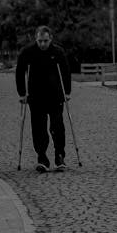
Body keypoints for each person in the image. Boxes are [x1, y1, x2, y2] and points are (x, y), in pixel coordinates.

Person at [15, 25, 71, 172]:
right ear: (36, 39)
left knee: (57, 126)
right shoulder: (27, 52)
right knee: (38, 128)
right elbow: (20, 72)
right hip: (36, 96)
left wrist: (67, 91)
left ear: (51, 38)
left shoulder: (57, 52)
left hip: (55, 95)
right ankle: (42, 157)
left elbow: (65, 72)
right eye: (40, 41)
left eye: (45, 41)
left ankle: (60, 156)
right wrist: (22, 93)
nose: (43, 44)